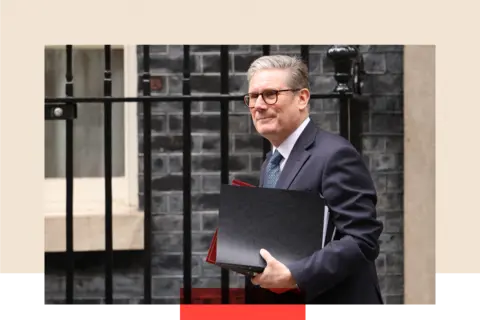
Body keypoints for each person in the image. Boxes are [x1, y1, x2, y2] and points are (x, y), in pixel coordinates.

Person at [243, 55, 385, 312]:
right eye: (253, 97)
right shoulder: (271, 163)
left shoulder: (335, 154)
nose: (259, 105)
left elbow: (363, 239)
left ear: (302, 98)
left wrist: (295, 275)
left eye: (270, 94)